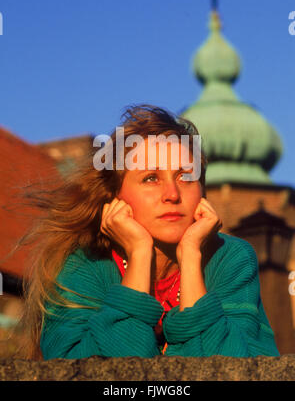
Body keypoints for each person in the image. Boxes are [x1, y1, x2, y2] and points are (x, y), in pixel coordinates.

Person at [18, 104, 279, 360]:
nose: (172, 194)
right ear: (114, 197)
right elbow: (100, 373)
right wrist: (140, 254)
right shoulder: (84, 266)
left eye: (185, 177)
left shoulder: (230, 258)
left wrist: (190, 256)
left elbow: (231, 370)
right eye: (151, 178)